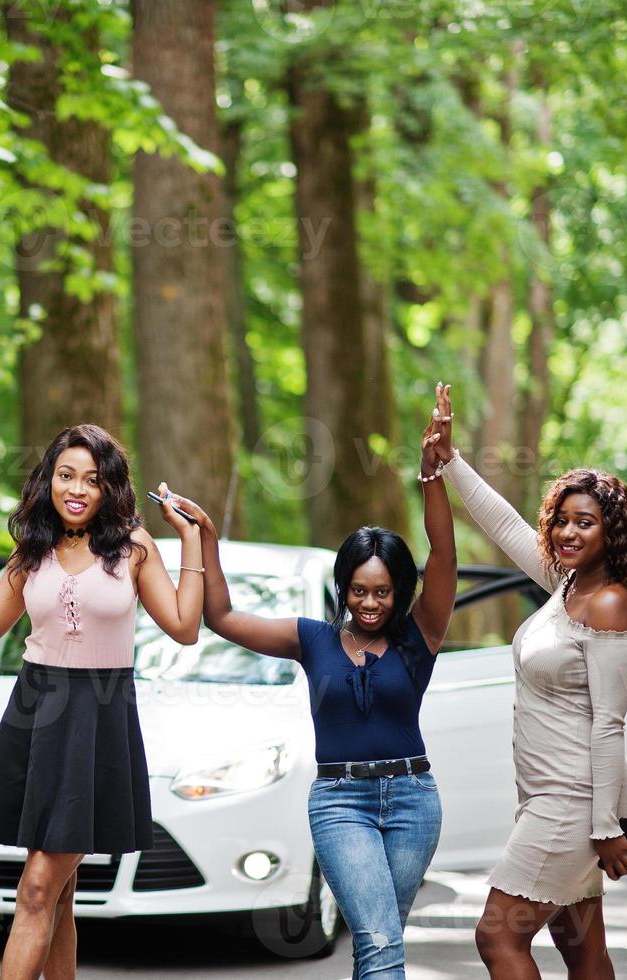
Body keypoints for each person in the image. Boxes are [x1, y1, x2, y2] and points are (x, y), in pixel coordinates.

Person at [191, 383, 459, 979]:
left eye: (382, 591)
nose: (369, 602)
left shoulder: (420, 638)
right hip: (341, 804)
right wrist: (206, 542)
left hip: (415, 801)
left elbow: (442, 554)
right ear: (344, 587)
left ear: (399, 592)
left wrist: (431, 474)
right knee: (383, 942)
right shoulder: (312, 638)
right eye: (359, 590)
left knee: (378, 942)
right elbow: (223, 618)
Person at [0, 423, 205, 980]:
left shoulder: (133, 548)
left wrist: (193, 541)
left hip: (100, 719)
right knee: (57, 894)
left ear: (110, 488)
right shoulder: (32, 549)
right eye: (65, 475)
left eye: (91, 479)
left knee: (36, 886)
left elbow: (184, 627)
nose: (76, 489)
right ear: (48, 479)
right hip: (35, 712)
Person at [428, 385, 627, 979]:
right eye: (562, 521)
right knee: (583, 948)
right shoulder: (566, 588)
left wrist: (606, 826)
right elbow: (505, 524)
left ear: (614, 534)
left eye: (587, 523)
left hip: (575, 803)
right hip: (550, 795)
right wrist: (450, 462)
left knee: (497, 936)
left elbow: (609, 723)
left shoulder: (608, 603)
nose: (568, 533)